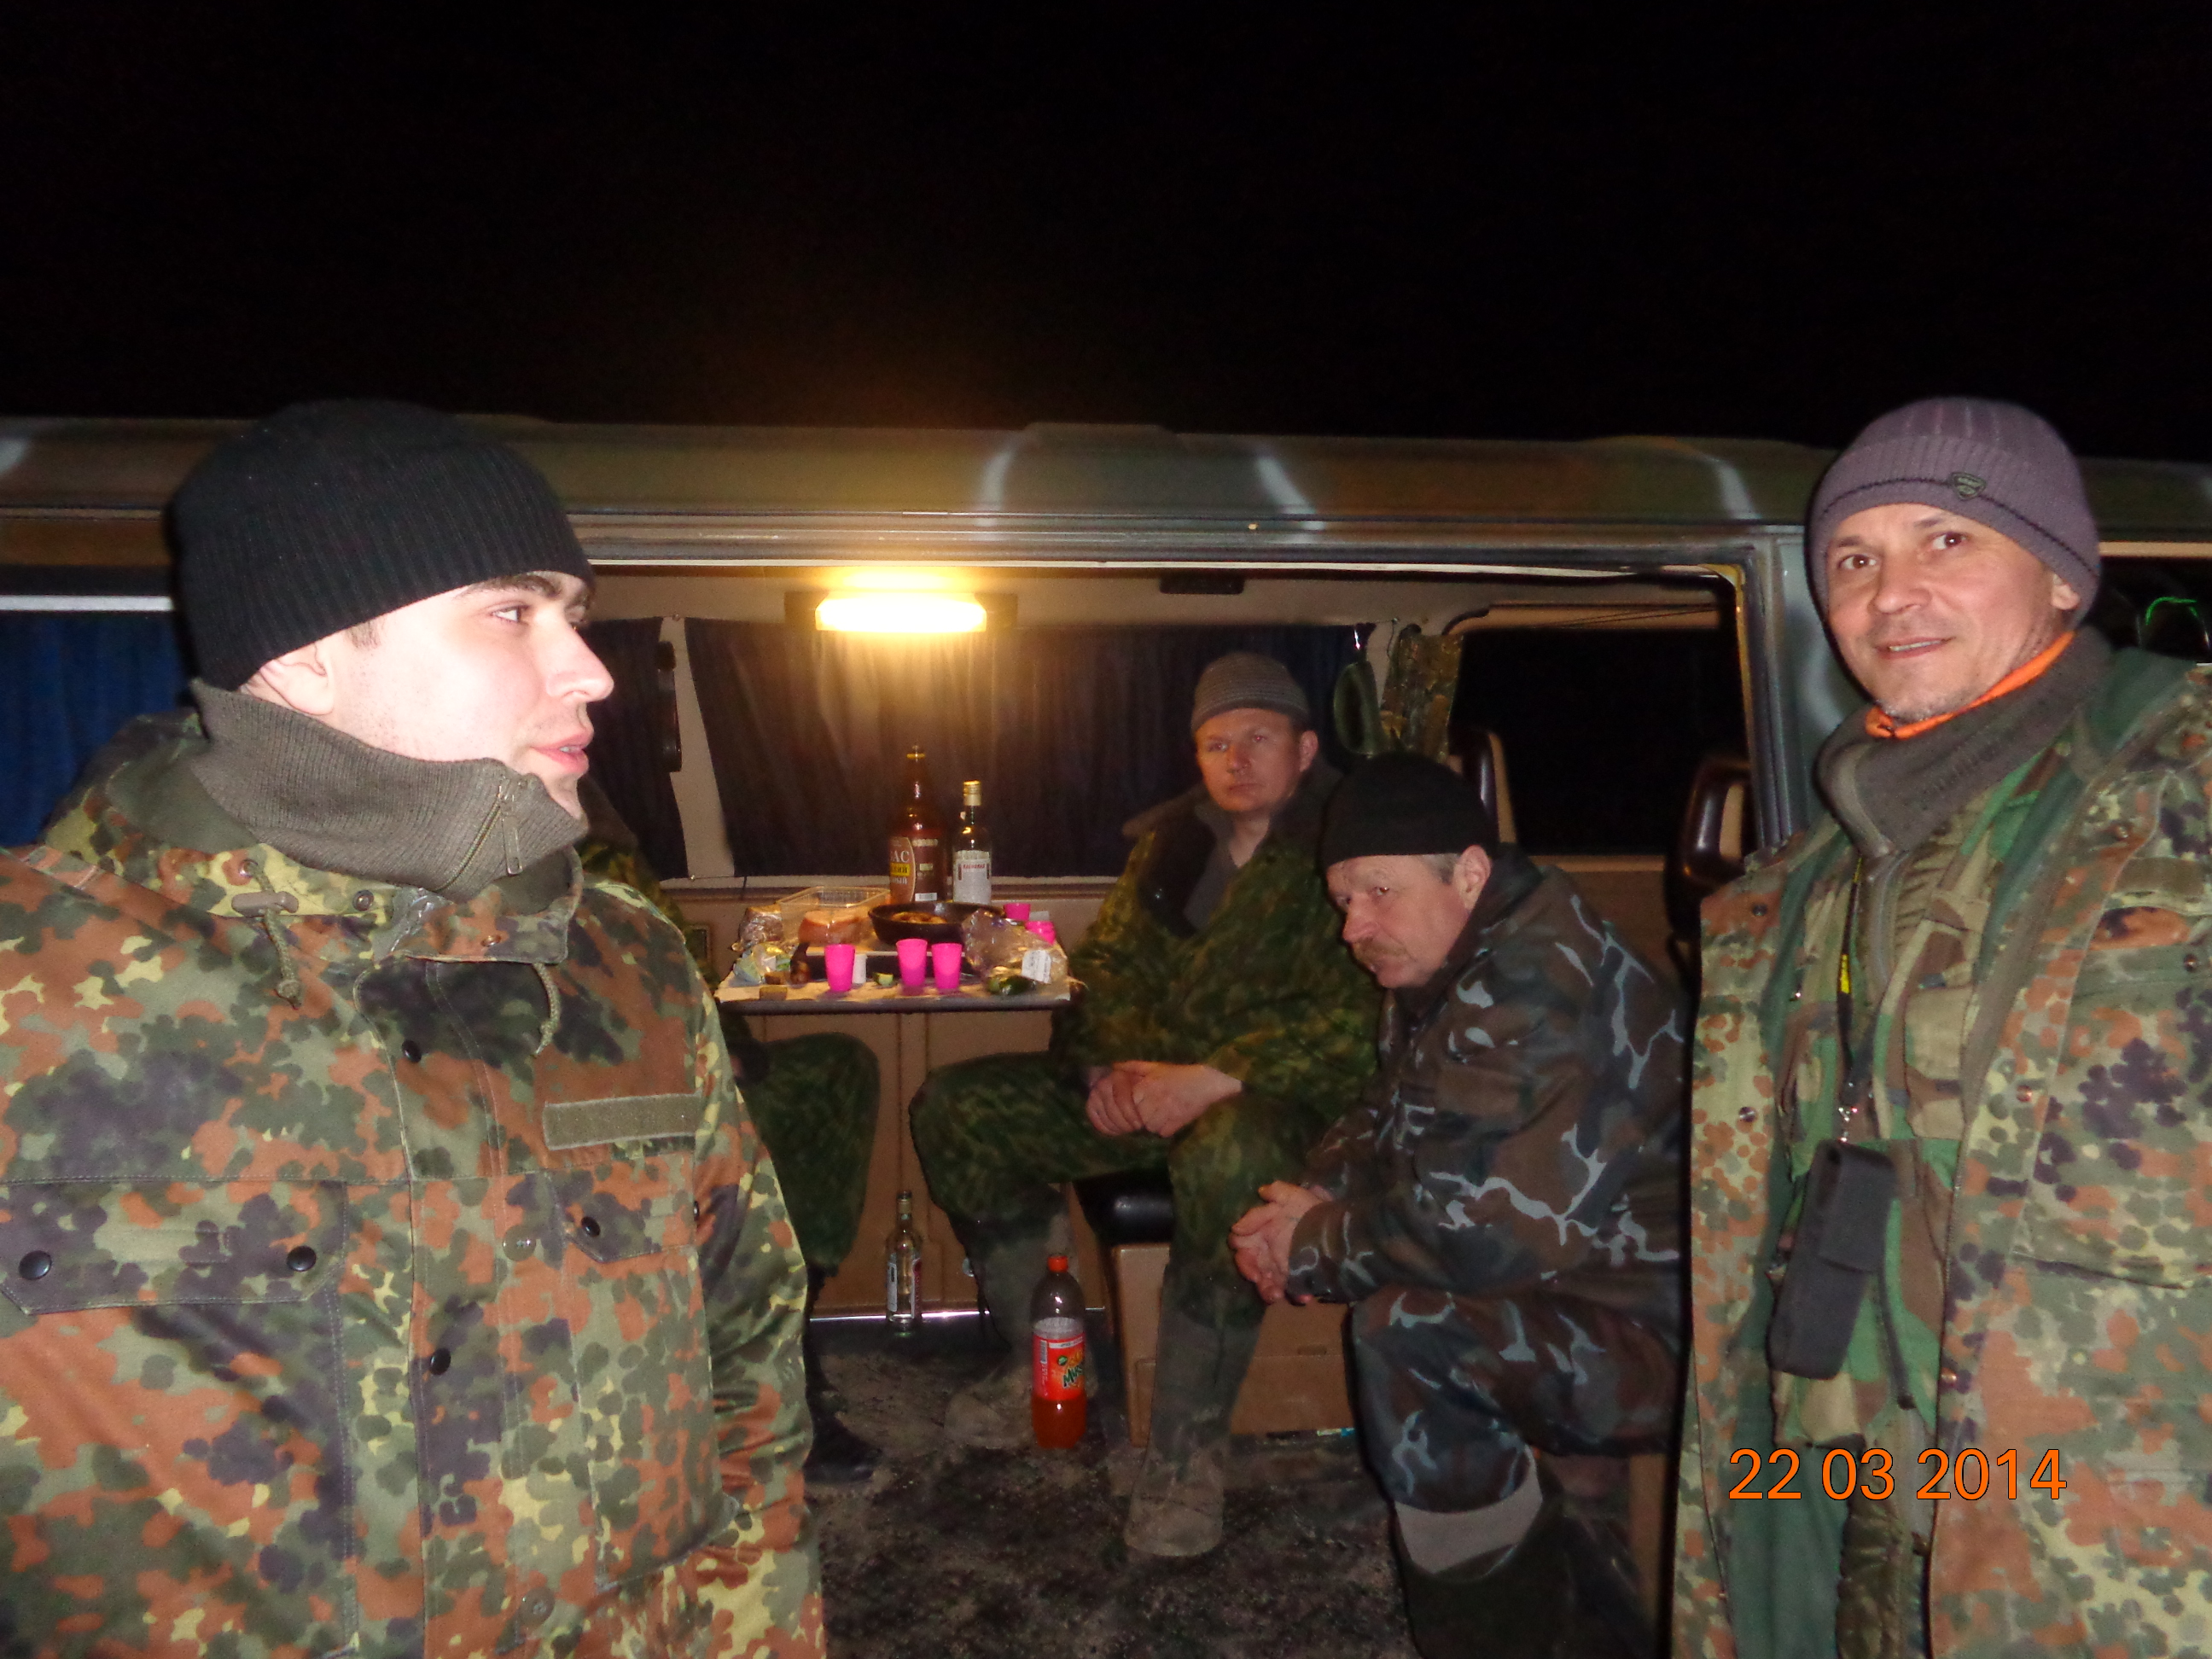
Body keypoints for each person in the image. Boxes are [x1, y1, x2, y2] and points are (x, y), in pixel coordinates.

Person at [0, 401, 821, 1656]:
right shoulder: (31, 979)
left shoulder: (626, 960)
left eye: (574, 614)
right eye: (513, 612)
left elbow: (747, 1359)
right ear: (305, 658)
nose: (591, 671)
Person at [1674, 398, 2212, 1656]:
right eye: (1853, 560)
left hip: (2130, 1510)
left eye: (1948, 541)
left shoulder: (2184, 787)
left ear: (2064, 576)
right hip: (1868, 1470)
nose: (1891, 594)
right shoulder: (1799, 884)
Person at [911, 651, 1379, 1555]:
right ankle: (1044, 1360)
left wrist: (1213, 1077)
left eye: (1258, 737)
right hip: (1149, 1092)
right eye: (1216, 743)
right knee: (958, 1107)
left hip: (1278, 1100)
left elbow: (1364, 1014)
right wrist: (1106, 1072)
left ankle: (1185, 1455)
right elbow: (1110, 968)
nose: (1236, 759)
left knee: (1233, 1156)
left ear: (1305, 748)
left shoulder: (1349, 849)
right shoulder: (1173, 847)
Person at [1232, 751, 1686, 1659]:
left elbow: (1482, 1236)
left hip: (1670, 1325)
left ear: (1469, 874)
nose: (1354, 927)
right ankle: (1534, 1547)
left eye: (1378, 893)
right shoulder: (1453, 959)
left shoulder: (1537, 983)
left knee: (1411, 1335)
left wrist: (1310, 1245)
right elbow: (1384, 1112)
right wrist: (1316, 1197)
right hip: (1575, 1270)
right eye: (1343, 900)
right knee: (1393, 1280)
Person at [576, 786, 883, 1483]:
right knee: (734, 1150)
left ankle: (792, 1331)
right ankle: (752, 1399)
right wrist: (686, 1061)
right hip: (613, 1093)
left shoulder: (606, 849)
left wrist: (726, 1045)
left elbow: (678, 965)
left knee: (841, 1069)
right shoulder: (489, 862)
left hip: (692, 1065)